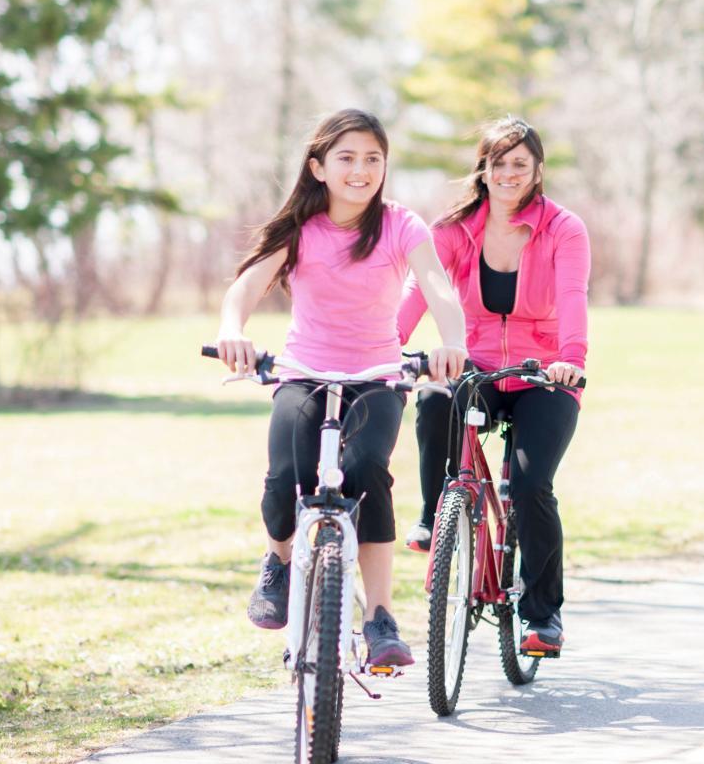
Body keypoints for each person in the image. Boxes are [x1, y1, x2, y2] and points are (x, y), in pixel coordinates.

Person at [215, 108, 468, 668]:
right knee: (286, 476)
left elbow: (438, 288)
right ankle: (279, 561)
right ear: (319, 167)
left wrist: (452, 341)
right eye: (347, 158)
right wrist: (232, 331)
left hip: (377, 377)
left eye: (373, 159)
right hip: (304, 372)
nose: (361, 170)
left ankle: (380, 618)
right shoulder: (299, 230)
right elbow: (246, 288)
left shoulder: (402, 225)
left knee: (368, 473)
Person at [397, 116, 590, 657]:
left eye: (520, 164)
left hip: (543, 374)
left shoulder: (562, 228)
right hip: (473, 364)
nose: (508, 174)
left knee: (531, 487)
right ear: (482, 168)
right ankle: (438, 512)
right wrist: (386, 347)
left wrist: (570, 360)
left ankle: (542, 615)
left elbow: (574, 295)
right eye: (498, 163)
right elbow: (417, 291)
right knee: (434, 397)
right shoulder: (454, 229)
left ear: (537, 170)